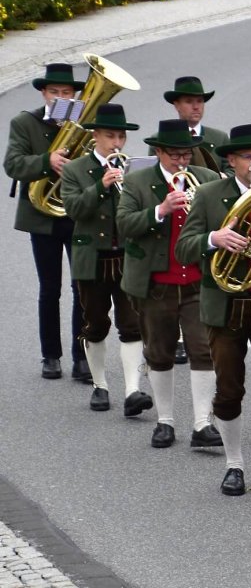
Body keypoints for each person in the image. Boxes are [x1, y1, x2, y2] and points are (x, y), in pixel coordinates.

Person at [175, 124, 251, 500]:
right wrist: (215, 238)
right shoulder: (211, 194)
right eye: (249, 157)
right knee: (229, 389)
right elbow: (184, 248)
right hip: (226, 304)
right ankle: (235, 464)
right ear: (231, 161)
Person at [117, 119, 222, 449]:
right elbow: (124, 225)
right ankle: (165, 421)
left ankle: (203, 423)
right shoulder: (137, 182)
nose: (181, 161)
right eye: (175, 155)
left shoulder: (205, 180)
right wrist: (160, 211)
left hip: (196, 280)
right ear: (159, 151)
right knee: (159, 353)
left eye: (187, 155)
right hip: (156, 282)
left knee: (203, 351)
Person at [59, 103, 150, 414]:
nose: (116, 143)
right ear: (95, 135)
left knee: (131, 324)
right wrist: (102, 185)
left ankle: (133, 390)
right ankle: (100, 385)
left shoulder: (134, 170)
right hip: (91, 257)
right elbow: (74, 209)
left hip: (127, 256)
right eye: (110, 136)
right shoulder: (74, 170)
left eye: (121, 137)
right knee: (95, 324)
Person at [3, 62, 91, 382]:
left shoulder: (85, 122)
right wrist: (47, 161)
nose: (60, 98)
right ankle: (50, 355)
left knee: (82, 286)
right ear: (44, 93)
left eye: (67, 93)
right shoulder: (24, 123)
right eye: (54, 92)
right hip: (42, 215)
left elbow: (98, 162)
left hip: (78, 213)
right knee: (49, 287)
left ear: (74, 95)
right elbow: (12, 164)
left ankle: (83, 357)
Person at [154, 76, 229, 174]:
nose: (196, 107)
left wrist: (221, 179)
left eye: (200, 101)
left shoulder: (219, 137)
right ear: (177, 105)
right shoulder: (160, 138)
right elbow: (154, 173)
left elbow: (232, 168)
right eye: (189, 101)